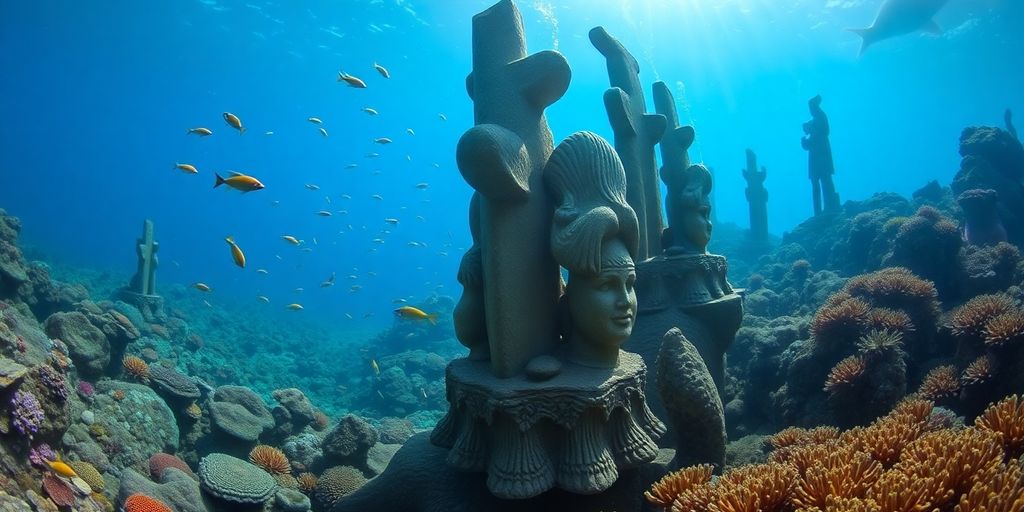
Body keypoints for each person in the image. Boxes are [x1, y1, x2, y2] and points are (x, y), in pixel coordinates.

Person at [801, 95, 839, 215]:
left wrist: (810, 131)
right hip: (815, 157)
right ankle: (818, 212)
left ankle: (830, 206)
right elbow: (807, 142)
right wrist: (805, 141)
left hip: (822, 155)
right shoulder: (815, 120)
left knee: (825, 179)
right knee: (816, 182)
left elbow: (824, 131)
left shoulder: (820, 117)